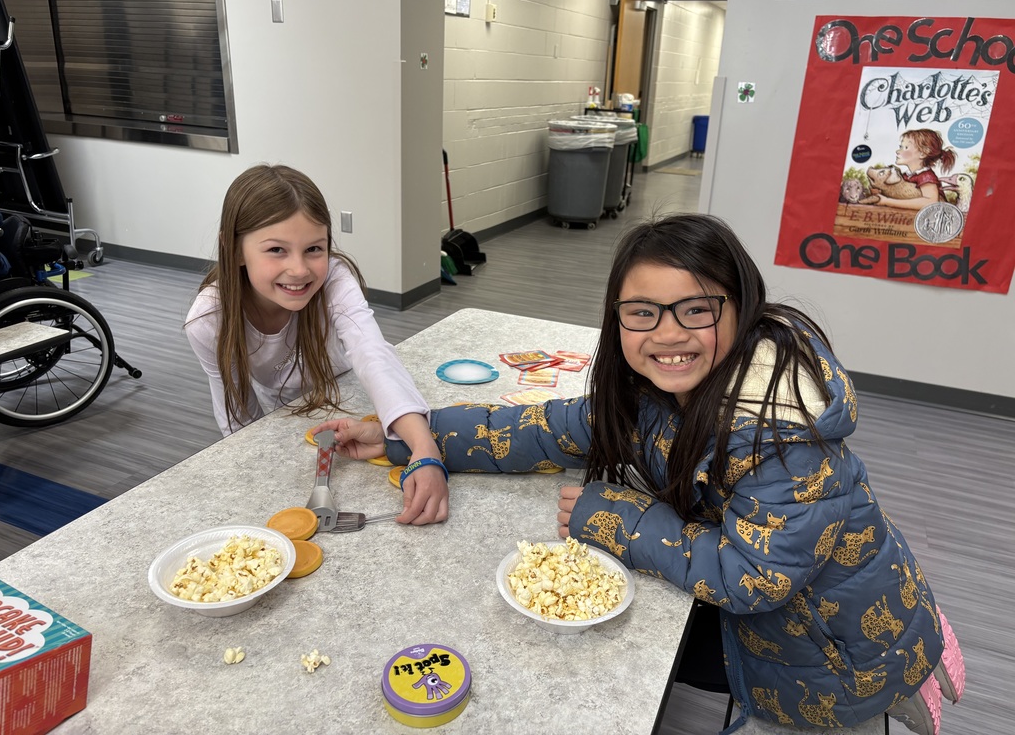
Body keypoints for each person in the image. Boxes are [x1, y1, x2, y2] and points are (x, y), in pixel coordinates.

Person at [323, 214, 962, 733]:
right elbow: (543, 429)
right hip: (779, 611)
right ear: (617, 319)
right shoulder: (652, 395)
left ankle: (900, 692)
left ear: (742, 310)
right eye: (642, 313)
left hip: (829, 648)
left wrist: (616, 515)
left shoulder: (783, 433)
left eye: (696, 310)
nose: (668, 333)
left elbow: (752, 578)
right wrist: (411, 436)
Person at [185, 164, 447, 525]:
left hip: (355, 399)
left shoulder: (336, 280)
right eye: (277, 249)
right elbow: (236, 415)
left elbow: (372, 354)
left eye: (313, 249)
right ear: (236, 249)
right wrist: (256, 478)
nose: (299, 270)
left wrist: (423, 448)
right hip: (283, 415)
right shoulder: (208, 321)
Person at [876, 128, 958, 211]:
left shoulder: (926, 177)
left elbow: (931, 202)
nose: (897, 151)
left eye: (905, 147)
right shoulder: (906, 176)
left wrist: (888, 201)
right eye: (900, 147)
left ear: (923, 153)